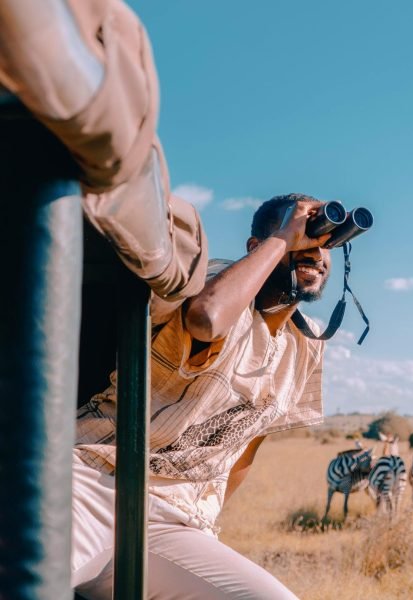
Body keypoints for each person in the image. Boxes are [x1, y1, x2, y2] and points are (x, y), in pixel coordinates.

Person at [72, 193, 332, 599]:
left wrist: (203, 520)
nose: (317, 252)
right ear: (257, 247)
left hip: (173, 521)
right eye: (307, 236)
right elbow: (206, 320)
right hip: (92, 480)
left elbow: (245, 447)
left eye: (327, 244)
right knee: (28, 579)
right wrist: (285, 236)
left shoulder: (306, 346)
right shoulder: (216, 285)